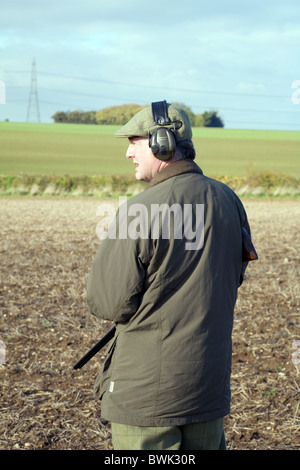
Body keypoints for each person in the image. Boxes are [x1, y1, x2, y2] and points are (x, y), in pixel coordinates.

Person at [86, 101, 254, 450]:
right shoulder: (229, 201)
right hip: (207, 389)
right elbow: (231, 277)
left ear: (162, 142)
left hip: (147, 397)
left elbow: (107, 302)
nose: (128, 153)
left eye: (134, 141)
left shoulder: (138, 210)